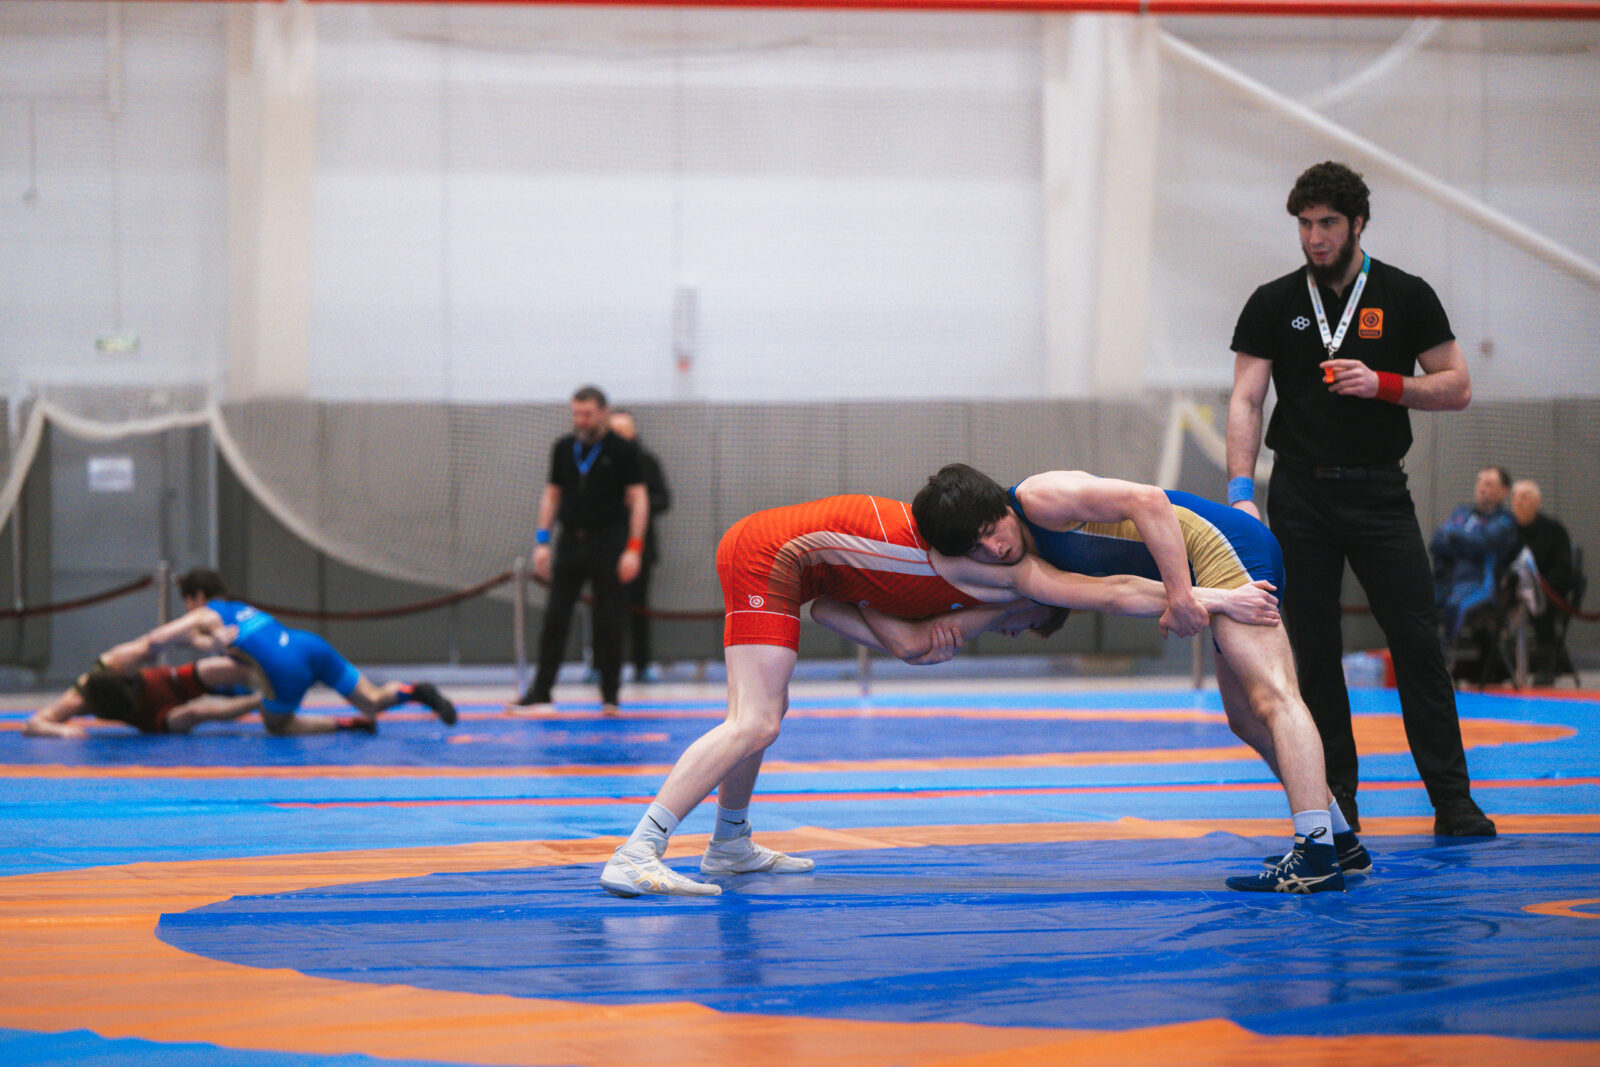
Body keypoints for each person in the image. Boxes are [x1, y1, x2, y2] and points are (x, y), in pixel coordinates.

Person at [598, 493, 1282, 899]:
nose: (1008, 631)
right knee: (754, 721)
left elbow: (834, 611)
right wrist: (1217, 597)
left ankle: (729, 841)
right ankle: (639, 850)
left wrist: (902, 635)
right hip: (770, 553)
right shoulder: (1010, 577)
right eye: (1019, 627)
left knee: (759, 717)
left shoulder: (960, 583)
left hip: (787, 561)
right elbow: (1114, 592)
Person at [913, 464, 1368, 893]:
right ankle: (1339, 842)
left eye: (991, 529)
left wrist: (1183, 597)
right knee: (1246, 719)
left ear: (999, 504)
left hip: (1222, 546)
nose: (993, 549)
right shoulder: (1023, 559)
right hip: (1213, 564)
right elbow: (1115, 593)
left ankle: (1314, 854)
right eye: (976, 547)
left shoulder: (1038, 497)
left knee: (1274, 698)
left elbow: (1148, 500)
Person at [1225, 160, 1495, 838]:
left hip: (1379, 491)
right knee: (1313, 651)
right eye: (1305, 225)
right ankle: (1337, 798)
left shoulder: (1405, 294)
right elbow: (1246, 400)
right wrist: (1240, 493)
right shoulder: (1272, 301)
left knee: (1418, 642)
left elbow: (1458, 385)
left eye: (1327, 224)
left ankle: (1453, 799)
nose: (1315, 238)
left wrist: (1386, 384)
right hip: (1298, 494)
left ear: (1358, 224)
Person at [136, 568, 458, 735]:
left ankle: (345, 724)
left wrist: (143, 652)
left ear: (197, 596)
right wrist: (204, 644)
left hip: (285, 668)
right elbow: (217, 643)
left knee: (277, 725)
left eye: (187, 602)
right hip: (309, 645)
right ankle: (413, 691)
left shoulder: (204, 613)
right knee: (372, 700)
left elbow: (157, 638)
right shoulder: (240, 608)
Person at [510, 386, 649, 716]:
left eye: (587, 414)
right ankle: (541, 693)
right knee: (555, 619)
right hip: (571, 541)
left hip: (609, 543)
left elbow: (638, 498)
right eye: (576, 414)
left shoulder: (623, 450)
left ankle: (611, 696)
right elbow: (552, 495)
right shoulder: (563, 448)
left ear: (603, 413)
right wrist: (542, 541)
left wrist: (633, 549)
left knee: (610, 622)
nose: (581, 420)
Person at [23, 637, 266, 739]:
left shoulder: (118, 660)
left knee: (220, 669)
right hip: (153, 718)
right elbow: (33, 723)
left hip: (165, 683)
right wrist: (61, 731)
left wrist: (211, 640)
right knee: (195, 713)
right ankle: (262, 700)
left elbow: (160, 639)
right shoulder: (78, 700)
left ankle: (270, 669)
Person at [608, 410, 671, 683]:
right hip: (606, 547)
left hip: (640, 548)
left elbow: (663, 499)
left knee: (638, 608)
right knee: (605, 610)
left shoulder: (646, 461)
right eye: (614, 431)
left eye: (624, 430)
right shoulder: (600, 461)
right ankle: (603, 666)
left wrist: (636, 503)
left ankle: (642, 664)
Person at [1430, 466, 1520, 647]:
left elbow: (1484, 542)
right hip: (1444, 580)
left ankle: (1446, 653)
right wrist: (1466, 543)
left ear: (1504, 491)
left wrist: (1455, 536)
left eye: (1489, 484)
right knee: (1415, 604)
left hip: (1478, 584)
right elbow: (1436, 543)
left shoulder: (1505, 520)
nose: (1481, 487)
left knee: (1456, 606)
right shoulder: (1461, 512)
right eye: (1479, 482)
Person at [1510, 478, 1577, 684]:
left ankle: (1546, 666)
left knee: (1541, 608)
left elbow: (1563, 568)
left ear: (1538, 501)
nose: (1519, 502)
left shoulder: (1554, 529)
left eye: (1525, 497)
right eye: (1515, 497)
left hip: (1547, 591)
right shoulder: (1506, 529)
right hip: (1512, 590)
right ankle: (1490, 666)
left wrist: (1538, 588)